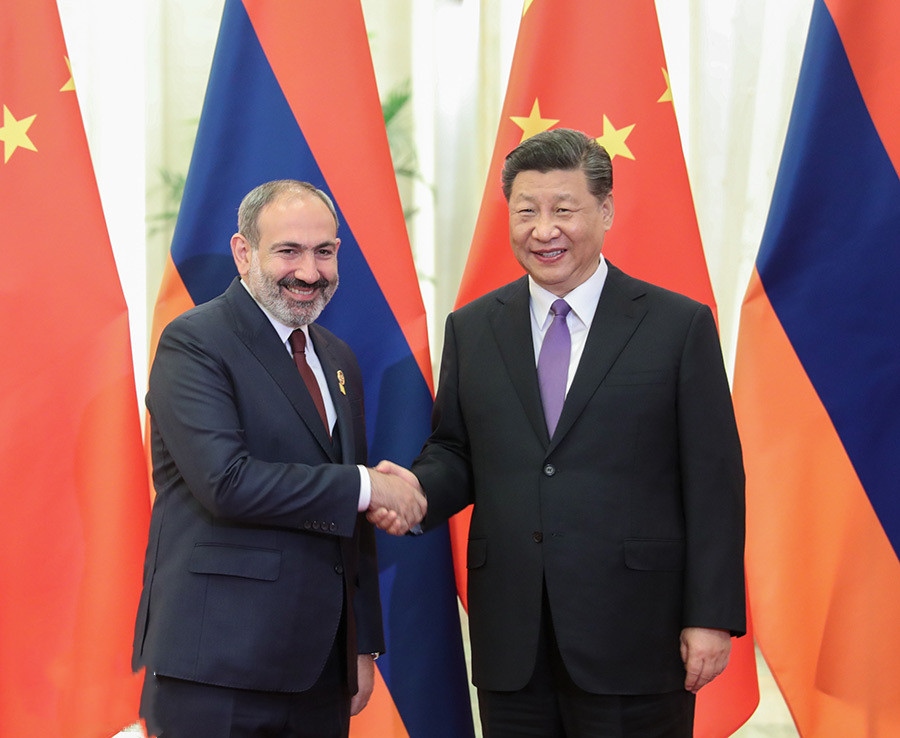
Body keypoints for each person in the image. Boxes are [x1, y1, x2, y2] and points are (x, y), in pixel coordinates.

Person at [372, 129, 746, 737]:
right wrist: (415, 489)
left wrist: (711, 615)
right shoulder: (472, 328)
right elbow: (457, 450)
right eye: (526, 212)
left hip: (636, 635)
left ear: (606, 210)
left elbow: (714, 482)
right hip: (513, 640)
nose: (543, 230)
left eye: (563, 210)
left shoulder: (677, 326)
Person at [133, 179, 426, 738]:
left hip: (320, 670)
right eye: (288, 251)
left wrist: (360, 643)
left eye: (324, 252)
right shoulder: (194, 342)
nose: (309, 272)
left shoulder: (336, 357)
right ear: (243, 252)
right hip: (218, 667)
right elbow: (227, 483)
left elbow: (349, 522)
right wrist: (368, 486)